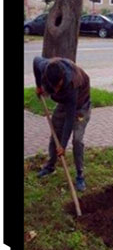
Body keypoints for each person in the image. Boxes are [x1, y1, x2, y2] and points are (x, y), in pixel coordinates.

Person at [33, 56, 91, 191]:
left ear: (63, 77)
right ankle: (50, 166)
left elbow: (70, 119)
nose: (57, 90)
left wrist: (63, 145)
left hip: (80, 106)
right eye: (54, 87)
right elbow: (35, 61)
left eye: (59, 85)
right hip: (63, 104)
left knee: (77, 140)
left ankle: (80, 175)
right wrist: (38, 86)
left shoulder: (73, 84)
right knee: (55, 134)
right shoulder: (45, 67)